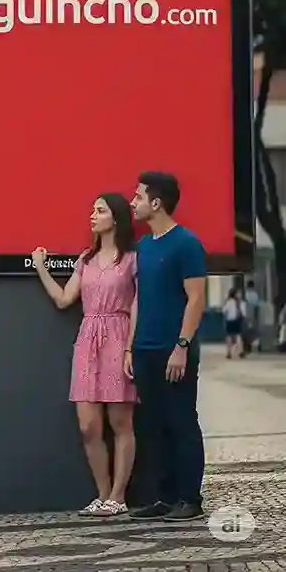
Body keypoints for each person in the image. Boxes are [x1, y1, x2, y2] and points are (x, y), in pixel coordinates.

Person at [32, 193, 137, 517]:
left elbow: (137, 306)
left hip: (118, 337)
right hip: (88, 338)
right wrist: (41, 268)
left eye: (100, 210)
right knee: (88, 426)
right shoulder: (85, 260)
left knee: (121, 421)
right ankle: (102, 494)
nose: (92, 215)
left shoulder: (132, 259)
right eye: (92, 209)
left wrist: (130, 348)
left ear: (115, 218)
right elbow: (65, 299)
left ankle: (118, 497)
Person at [128, 171, 207, 522]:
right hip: (144, 349)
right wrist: (130, 348)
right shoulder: (144, 247)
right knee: (154, 425)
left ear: (156, 203)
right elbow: (139, 300)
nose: (133, 201)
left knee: (181, 422)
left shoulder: (186, 243)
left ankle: (190, 498)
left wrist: (182, 346)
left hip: (173, 350)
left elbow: (196, 299)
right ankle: (165, 497)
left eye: (138, 196)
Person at [222, 287, 244, 359]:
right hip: (237, 320)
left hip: (229, 320)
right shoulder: (240, 302)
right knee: (238, 335)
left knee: (229, 336)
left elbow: (224, 311)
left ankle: (229, 352)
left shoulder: (229, 302)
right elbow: (243, 313)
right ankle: (240, 351)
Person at [243, 280, 261, 354]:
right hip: (252, 314)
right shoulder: (255, 295)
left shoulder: (245, 294)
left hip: (246, 314)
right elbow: (257, 306)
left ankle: (247, 347)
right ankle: (251, 346)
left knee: (246, 332)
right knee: (252, 331)